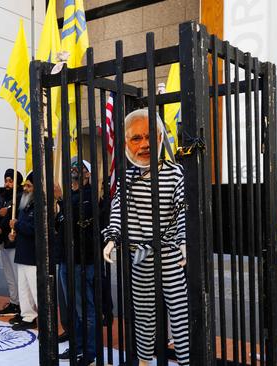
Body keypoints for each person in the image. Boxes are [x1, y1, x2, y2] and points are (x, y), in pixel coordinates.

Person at [102, 109, 189, 366]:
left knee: (180, 312)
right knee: (143, 314)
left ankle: (185, 361)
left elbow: (183, 208)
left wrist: (183, 241)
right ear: (126, 143)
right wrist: (112, 238)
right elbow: (118, 210)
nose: (145, 144)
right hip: (139, 256)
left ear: (161, 136)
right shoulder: (127, 178)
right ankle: (143, 361)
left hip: (170, 254)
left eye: (150, 135)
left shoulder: (175, 173)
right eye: (136, 138)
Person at [58, 160, 97, 363]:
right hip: (66, 259)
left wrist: (61, 202)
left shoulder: (89, 197)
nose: (75, 169)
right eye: (72, 166)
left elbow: (76, 221)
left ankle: (90, 352)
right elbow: (60, 225)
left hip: (83, 261)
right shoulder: (69, 196)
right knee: (72, 307)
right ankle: (78, 347)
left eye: (80, 168)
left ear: (88, 174)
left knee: (85, 308)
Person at [0, 168, 23, 319]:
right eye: (6, 180)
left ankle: (23, 305)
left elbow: (7, 219)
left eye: (11, 181)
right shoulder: (1, 197)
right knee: (9, 276)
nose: (7, 184)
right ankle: (14, 302)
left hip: (15, 242)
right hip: (4, 243)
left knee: (17, 276)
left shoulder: (21, 197)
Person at [10, 173, 37, 331]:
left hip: (33, 254)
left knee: (34, 288)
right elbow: (21, 227)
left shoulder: (40, 205)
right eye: (25, 186)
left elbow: (35, 229)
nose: (25, 189)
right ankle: (28, 316)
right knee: (23, 288)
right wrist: (13, 233)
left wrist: (17, 225)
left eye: (29, 186)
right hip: (22, 252)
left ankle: (44, 317)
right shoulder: (23, 204)